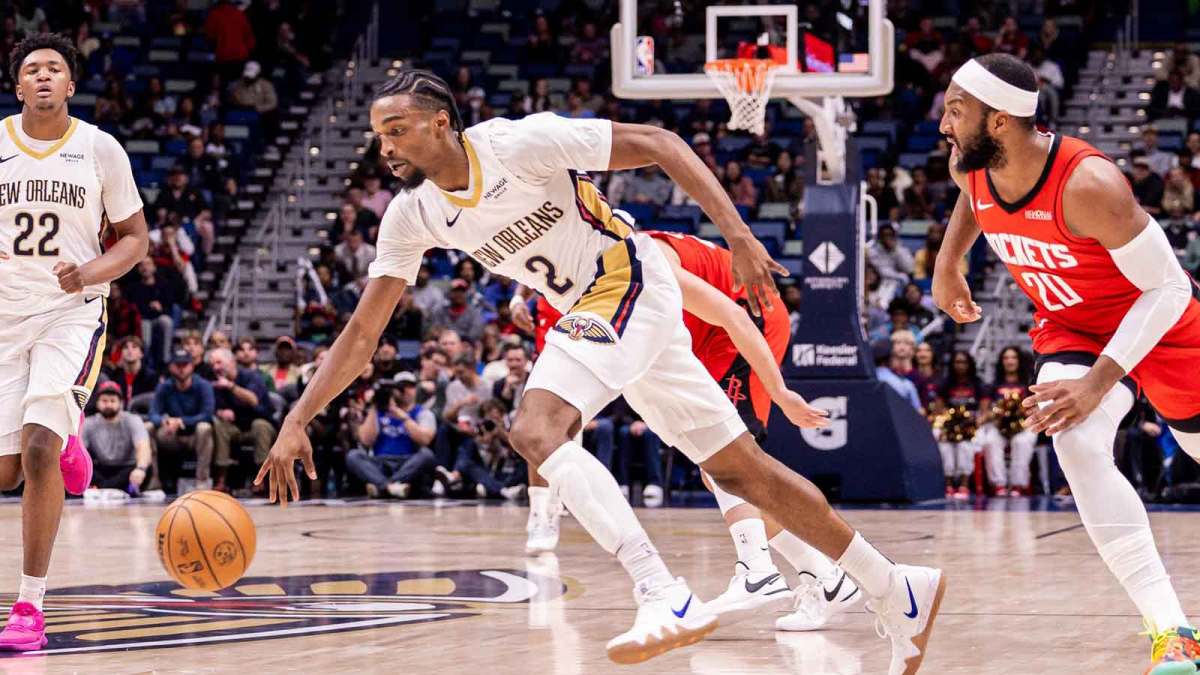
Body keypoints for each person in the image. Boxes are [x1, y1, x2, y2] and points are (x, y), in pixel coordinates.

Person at [256, 68, 945, 670]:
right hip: (603, 308)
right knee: (742, 472)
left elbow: (661, 143)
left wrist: (737, 235)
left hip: (628, 278)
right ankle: (893, 586)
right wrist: (297, 417)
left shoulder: (517, 144)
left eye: (398, 130)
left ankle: (659, 590)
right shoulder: (411, 216)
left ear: (441, 124)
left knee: (535, 427)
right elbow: (362, 333)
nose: (387, 147)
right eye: (380, 135)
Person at [935, 53, 1200, 669]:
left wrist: (1099, 380)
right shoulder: (969, 161)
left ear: (998, 122)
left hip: (1157, 323)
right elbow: (973, 195)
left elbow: (1168, 290)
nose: (944, 123)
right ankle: (1174, 631)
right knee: (1074, 439)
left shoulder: (1089, 186)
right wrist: (949, 261)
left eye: (956, 110)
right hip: (1071, 324)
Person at [0, 35, 149, 652]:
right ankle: (66, 451)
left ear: (70, 85)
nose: (42, 76)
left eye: (53, 69)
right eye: (31, 69)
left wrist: (90, 273)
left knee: (35, 449)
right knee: (9, 473)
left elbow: (135, 238)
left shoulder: (98, 148)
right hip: (6, 318)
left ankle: (29, 607)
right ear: (17, 87)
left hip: (72, 313)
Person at [345, 373, 437, 498]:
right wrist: (374, 407)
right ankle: (391, 487)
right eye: (400, 387)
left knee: (427, 454)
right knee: (353, 455)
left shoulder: (423, 412)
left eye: (409, 387)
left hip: (408, 462)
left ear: (415, 389)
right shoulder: (378, 411)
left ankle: (383, 486)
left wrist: (403, 417)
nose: (404, 391)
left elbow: (425, 439)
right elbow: (366, 441)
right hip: (381, 462)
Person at [207, 348, 275, 492]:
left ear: (232, 362)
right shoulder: (215, 382)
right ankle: (221, 480)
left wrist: (231, 386)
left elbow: (253, 400)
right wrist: (220, 412)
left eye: (219, 363)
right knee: (219, 425)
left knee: (260, 425)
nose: (215, 368)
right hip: (236, 427)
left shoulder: (251, 377)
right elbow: (210, 407)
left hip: (258, 423)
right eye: (212, 364)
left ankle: (260, 479)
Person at [149, 350, 216, 494]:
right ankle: (153, 481)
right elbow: (153, 413)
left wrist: (181, 421)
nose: (181, 368)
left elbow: (207, 415)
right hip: (171, 435)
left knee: (204, 427)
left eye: (185, 364)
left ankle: (202, 481)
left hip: (195, 436)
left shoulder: (203, 385)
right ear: (171, 367)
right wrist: (164, 421)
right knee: (148, 427)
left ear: (192, 366)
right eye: (177, 365)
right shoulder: (164, 387)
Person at [978, 346, 1037, 496]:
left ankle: (1018, 484)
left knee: (1022, 442)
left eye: (1013, 357)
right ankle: (999, 485)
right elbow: (984, 413)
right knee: (991, 440)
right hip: (998, 425)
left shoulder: (1028, 384)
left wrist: (1021, 415)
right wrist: (996, 414)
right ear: (1001, 362)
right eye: (1006, 358)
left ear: (1019, 361)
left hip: (1024, 425)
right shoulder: (993, 385)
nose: (1010, 361)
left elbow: (1035, 408)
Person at [933, 350, 989, 499]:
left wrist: (974, 421)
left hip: (971, 425)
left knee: (966, 445)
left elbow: (984, 412)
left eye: (964, 362)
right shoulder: (945, 384)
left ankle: (964, 484)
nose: (960, 365)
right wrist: (949, 419)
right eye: (957, 362)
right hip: (949, 424)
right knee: (945, 446)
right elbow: (938, 410)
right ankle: (949, 484)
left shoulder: (978, 383)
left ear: (969, 364)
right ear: (952, 364)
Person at [81, 382, 152, 494]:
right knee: (84, 470)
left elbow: (143, 446)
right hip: (102, 469)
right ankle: (111, 489)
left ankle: (103, 489)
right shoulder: (88, 423)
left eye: (113, 401)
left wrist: (141, 469)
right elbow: (80, 450)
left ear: (121, 403)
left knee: (147, 469)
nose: (108, 404)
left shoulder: (133, 420)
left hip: (127, 469)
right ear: (97, 403)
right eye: (104, 401)